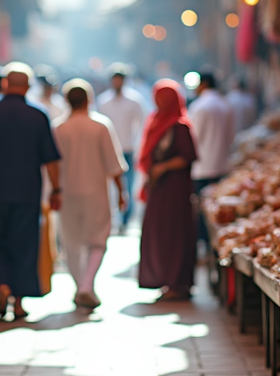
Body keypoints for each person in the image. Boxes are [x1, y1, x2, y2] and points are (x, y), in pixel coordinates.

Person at [0, 63, 61, 319]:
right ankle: (18, 301)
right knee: (24, 243)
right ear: (27, 86)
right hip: (27, 192)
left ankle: (2, 286)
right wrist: (57, 189)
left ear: (4, 84)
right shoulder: (39, 114)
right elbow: (50, 159)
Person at [52, 79, 127, 310]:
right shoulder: (101, 125)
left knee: (72, 243)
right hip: (96, 192)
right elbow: (113, 165)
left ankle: (81, 287)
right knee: (97, 241)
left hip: (67, 192)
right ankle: (86, 285)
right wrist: (122, 192)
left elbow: (52, 165)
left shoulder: (58, 128)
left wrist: (53, 190)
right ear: (89, 99)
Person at [137, 80, 198, 301]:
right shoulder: (155, 121)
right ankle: (163, 279)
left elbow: (188, 157)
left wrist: (163, 167)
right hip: (159, 189)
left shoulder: (180, 125)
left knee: (175, 234)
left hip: (175, 189)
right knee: (159, 234)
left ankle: (177, 282)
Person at [96, 64, 146, 230]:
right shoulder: (103, 101)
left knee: (128, 184)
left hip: (127, 148)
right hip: (107, 149)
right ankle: (112, 218)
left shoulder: (134, 100)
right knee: (108, 186)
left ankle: (125, 217)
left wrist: (137, 143)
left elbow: (143, 122)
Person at [188, 72, 236, 194]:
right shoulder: (225, 104)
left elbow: (194, 137)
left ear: (204, 84)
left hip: (202, 166)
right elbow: (231, 136)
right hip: (222, 163)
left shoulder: (198, 106)